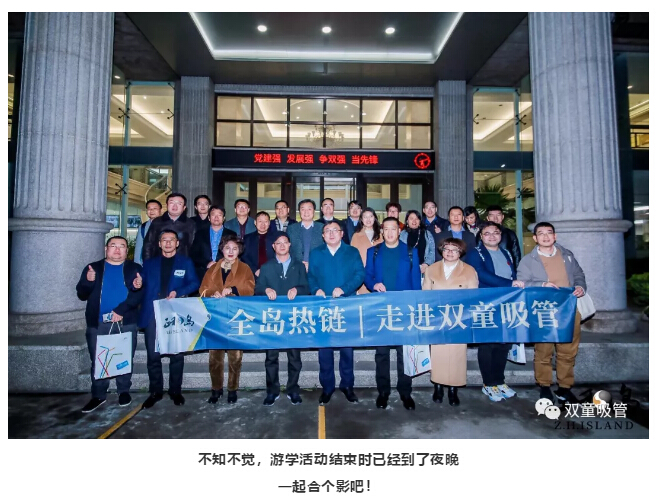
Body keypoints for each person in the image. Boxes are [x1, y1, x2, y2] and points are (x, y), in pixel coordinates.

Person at [517, 222, 586, 404]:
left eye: (549, 233)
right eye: (541, 233)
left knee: (568, 350)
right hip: (543, 311)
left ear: (555, 236)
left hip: (568, 309)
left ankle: (565, 387)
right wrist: (542, 285)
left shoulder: (567, 255)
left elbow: (579, 274)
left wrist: (580, 286)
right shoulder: (528, 260)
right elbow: (522, 284)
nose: (546, 236)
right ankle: (544, 385)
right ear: (535, 238)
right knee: (543, 351)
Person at [76, 236, 143, 413]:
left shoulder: (134, 268)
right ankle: (98, 395)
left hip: (126, 321)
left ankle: (124, 391)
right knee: (98, 359)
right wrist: (88, 281)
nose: (117, 249)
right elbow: (81, 294)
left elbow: (138, 294)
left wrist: (122, 308)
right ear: (106, 249)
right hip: (98, 322)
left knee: (124, 357)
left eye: (122, 246)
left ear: (126, 250)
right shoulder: (93, 268)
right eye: (113, 245)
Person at [137, 230, 200, 408]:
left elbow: (195, 283)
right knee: (153, 355)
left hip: (174, 313)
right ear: (159, 244)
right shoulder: (149, 263)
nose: (168, 243)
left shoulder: (185, 262)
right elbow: (140, 283)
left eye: (171, 240)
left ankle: (175, 391)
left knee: (177, 355)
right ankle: (155, 391)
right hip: (152, 313)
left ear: (177, 243)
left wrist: (178, 292)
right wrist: (137, 283)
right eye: (164, 240)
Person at [364, 217, 421, 410]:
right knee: (382, 353)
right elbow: (367, 276)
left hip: (404, 310)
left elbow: (416, 283)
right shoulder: (373, 251)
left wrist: (415, 309)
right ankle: (383, 391)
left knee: (404, 353)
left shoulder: (411, 251)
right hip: (381, 309)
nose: (389, 232)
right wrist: (374, 284)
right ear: (382, 231)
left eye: (393, 229)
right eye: (386, 229)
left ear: (399, 231)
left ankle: (405, 391)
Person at [308, 221, 365, 405]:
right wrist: (316, 289)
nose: (331, 233)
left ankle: (347, 385)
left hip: (346, 306)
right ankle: (327, 387)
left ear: (342, 234)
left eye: (335, 230)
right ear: (323, 235)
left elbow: (359, 275)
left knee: (347, 349)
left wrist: (344, 289)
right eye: (327, 231)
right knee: (324, 349)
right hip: (323, 307)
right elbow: (311, 276)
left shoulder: (352, 252)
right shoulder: (316, 253)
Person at [468, 221, 525, 402]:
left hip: (507, 302)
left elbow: (512, 273)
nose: (492, 236)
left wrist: (514, 285)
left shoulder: (505, 252)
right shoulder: (475, 253)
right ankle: (489, 383)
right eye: (487, 233)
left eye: (495, 232)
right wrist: (509, 284)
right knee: (488, 343)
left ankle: (500, 381)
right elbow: (480, 273)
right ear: (481, 236)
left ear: (500, 235)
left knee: (504, 343)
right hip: (487, 303)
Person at [254, 231, 310, 406]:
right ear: (273, 246)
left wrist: (297, 290)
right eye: (278, 243)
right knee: (271, 357)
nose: (282, 245)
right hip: (273, 317)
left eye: (285, 242)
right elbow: (257, 288)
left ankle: (293, 389)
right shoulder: (266, 267)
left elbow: (307, 288)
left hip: (293, 317)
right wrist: (266, 290)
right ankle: (272, 391)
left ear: (290, 245)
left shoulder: (299, 266)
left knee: (294, 357)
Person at [199, 234, 255, 404]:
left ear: (239, 251)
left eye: (234, 248)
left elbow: (250, 289)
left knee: (235, 357)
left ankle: (232, 389)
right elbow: (202, 289)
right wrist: (212, 293)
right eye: (227, 248)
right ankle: (216, 389)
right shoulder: (213, 268)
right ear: (222, 250)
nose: (231, 251)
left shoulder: (245, 268)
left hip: (235, 317)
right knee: (214, 357)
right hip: (215, 318)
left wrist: (233, 289)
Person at [423, 238, 479, 406]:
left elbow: (473, 297)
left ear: (460, 252)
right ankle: (438, 387)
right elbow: (425, 294)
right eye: (446, 249)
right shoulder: (432, 269)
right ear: (441, 250)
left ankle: (453, 389)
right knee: (438, 354)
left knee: (456, 355)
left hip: (459, 319)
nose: (450, 252)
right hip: (438, 318)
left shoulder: (469, 270)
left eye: (454, 250)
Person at [190, 205, 237, 282]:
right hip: (203, 272)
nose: (216, 217)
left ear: (224, 218)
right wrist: (207, 263)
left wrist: (220, 263)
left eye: (219, 215)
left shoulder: (231, 234)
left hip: (225, 272)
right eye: (213, 215)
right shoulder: (200, 233)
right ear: (209, 218)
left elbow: (235, 254)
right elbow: (193, 254)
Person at [143, 193, 196, 260]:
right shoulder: (157, 222)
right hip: (159, 261)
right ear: (167, 205)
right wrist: (147, 262)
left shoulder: (190, 223)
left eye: (179, 204)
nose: (175, 206)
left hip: (182, 262)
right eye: (172, 203)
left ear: (184, 207)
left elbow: (194, 247)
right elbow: (148, 244)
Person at [348, 207, 383, 294]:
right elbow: (352, 257)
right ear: (361, 219)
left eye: (370, 216)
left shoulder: (381, 235)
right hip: (363, 274)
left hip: (380, 273)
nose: (368, 219)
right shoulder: (356, 236)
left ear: (374, 218)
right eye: (365, 217)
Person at [287, 199, 324, 271]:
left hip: (318, 268)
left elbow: (325, 249)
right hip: (296, 269)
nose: (306, 212)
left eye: (309, 209)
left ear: (314, 211)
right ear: (299, 212)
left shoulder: (322, 228)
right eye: (303, 209)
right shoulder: (291, 229)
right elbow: (289, 250)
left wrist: (312, 264)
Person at [400, 209, 436, 274]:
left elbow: (432, 251)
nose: (414, 221)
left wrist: (427, 264)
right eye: (411, 218)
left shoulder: (427, 234)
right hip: (406, 268)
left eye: (417, 218)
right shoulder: (402, 234)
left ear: (420, 221)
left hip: (423, 268)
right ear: (407, 221)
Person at [242, 211, 276, 277]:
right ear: (255, 222)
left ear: (269, 223)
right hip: (253, 274)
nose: (263, 224)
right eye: (260, 221)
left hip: (272, 273)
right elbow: (244, 256)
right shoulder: (248, 238)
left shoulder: (275, 237)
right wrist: (255, 270)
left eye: (265, 221)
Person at [134, 199, 162, 265]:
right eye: (149, 209)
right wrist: (137, 265)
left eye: (155, 208)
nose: (151, 211)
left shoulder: (167, 225)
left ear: (161, 210)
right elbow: (139, 247)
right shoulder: (143, 227)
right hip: (148, 262)